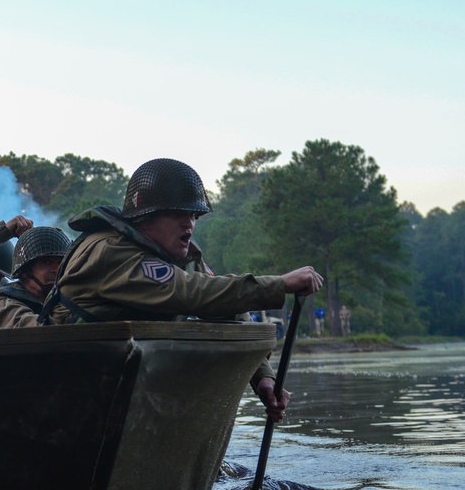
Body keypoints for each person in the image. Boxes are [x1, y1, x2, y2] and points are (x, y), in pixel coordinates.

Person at [42, 157, 324, 422]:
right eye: (178, 213)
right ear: (145, 215)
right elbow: (191, 292)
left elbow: (229, 311)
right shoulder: (110, 252)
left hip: (130, 391)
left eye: (194, 215)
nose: (189, 223)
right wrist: (279, 284)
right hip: (67, 390)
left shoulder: (181, 257)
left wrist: (263, 378)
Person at [0, 226, 72, 329]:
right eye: (47, 262)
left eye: (60, 263)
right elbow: (39, 336)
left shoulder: (50, 303)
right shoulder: (4, 306)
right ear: (25, 271)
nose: (56, 269)